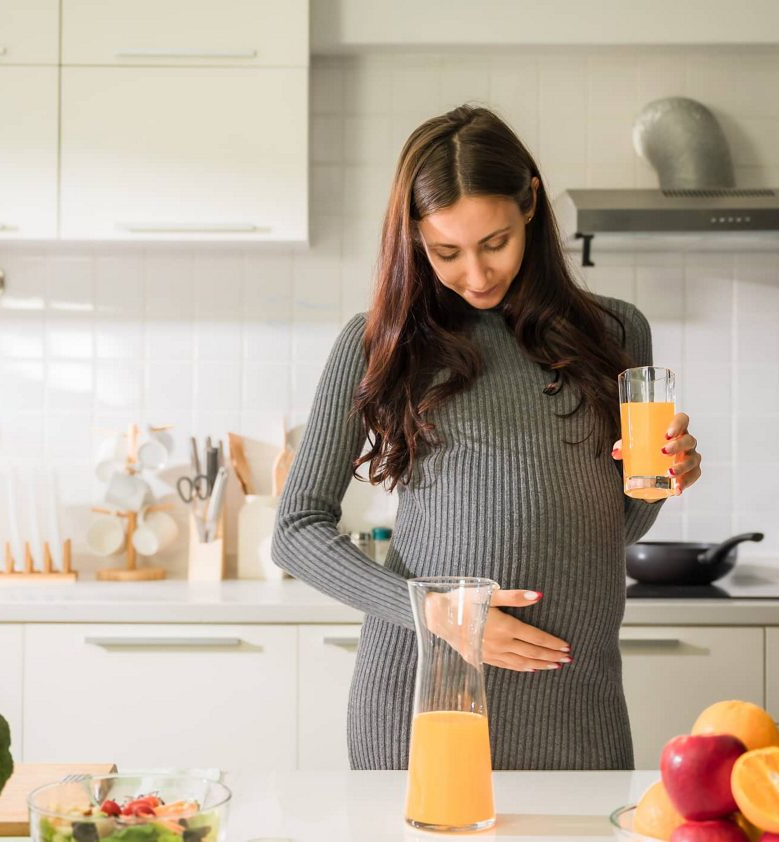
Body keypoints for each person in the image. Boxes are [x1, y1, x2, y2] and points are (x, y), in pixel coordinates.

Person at [272, 105, 703, 770]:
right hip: (426, 697)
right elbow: (295, 529)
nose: (475, 275)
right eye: (446, 252)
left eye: (494, 242)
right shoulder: (379, 345)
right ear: (416, 240)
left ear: (530, 201)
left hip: (576, 701)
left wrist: (661, 476)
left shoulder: (616, 332)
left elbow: (613, 528)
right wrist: (438, 613)